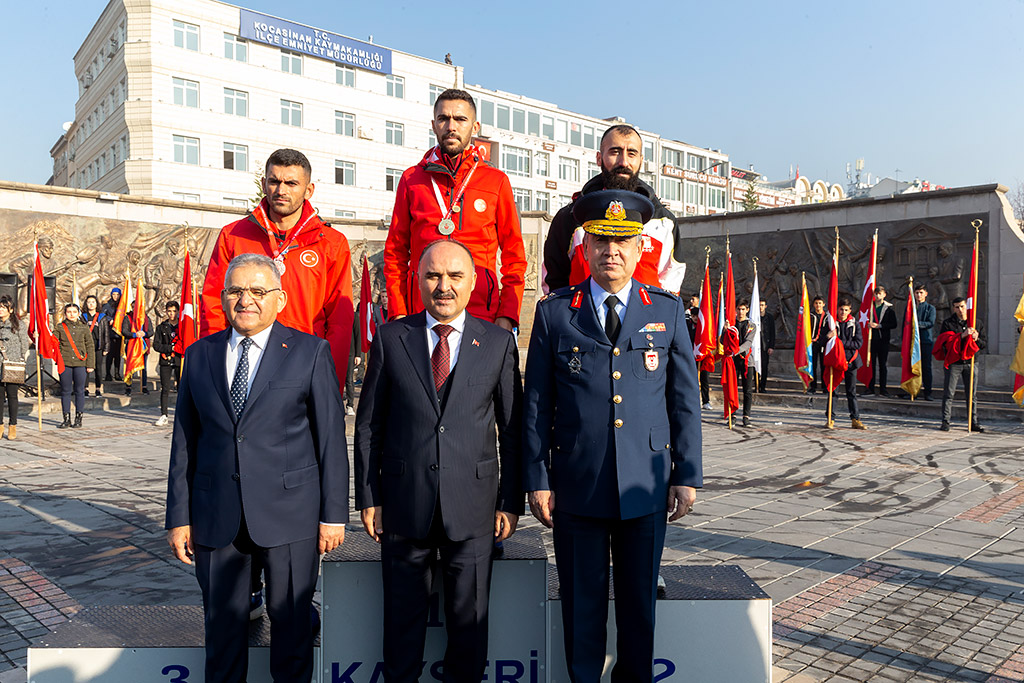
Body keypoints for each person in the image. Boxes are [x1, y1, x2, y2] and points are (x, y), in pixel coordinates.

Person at [523, 190, 702, 682]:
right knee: (581, 610)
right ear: (584, 247)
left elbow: (684, 399)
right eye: (601, 240)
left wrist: (686, 474)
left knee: (639, 611)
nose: (612, 251)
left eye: (624, 241)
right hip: (578, 487)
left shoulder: (664, 311)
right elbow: (537, 402)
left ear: (642, 246)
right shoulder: (556, 312)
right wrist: (538, 477)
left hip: (644, 486)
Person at [166, 253, 348, 683]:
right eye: (236, 291)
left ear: (280, 299)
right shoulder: (199, 355)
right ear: (223, 297)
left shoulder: (309, 351)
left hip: (291, 517)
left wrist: (333, 514)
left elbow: (330, 440)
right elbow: (184, 442)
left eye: (258, 291)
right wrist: (179, 518)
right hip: (216, 519)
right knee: (223, 640)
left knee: (291, 634)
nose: (246, 299)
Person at [355, 239, 522, 683]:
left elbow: (512, 430)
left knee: (469, 634)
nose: (443, 286)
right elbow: (369, 424)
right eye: (432, 276)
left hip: (474, 510)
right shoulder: (393, 339)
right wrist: (369, 496)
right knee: (401, 634)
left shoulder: (499, 343)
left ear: (473, 284)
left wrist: (510, 501)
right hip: (404, 507)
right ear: (418, 281)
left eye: (454, 276)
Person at [200, 148, 355, 388]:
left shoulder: (332, 243)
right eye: (274, 181)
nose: (281, 190)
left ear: (308, 189)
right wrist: (212, 364)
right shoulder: (233, 236)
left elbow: (340, 319)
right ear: (264, 184)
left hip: (304, 362)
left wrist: (330, 377)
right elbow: (213, 304)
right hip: (244, 360)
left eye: (291, 183)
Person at [384, 88, 526, 332]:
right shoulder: (412, 179)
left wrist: (508, 313)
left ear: (475, 126)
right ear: (434, 124)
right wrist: (398, 311)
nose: (451, 126)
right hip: (421, 313)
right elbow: (396, 252)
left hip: (482, 313)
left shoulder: (496, 181)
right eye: (443, 119)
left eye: (460, 119)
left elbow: (514, 255)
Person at [543, 124, 684, 294]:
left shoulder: (664, 221)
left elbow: (671, 285)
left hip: (645, 318)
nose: (623, 162)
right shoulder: (571, 217)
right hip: (582, 318)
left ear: (641, 160)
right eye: (615, 152)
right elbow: (554, 283)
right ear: (599, 158)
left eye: (631, 153)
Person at [937, 297, 984, 432]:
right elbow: (944, 344)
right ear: (953, 308)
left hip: (971, 362)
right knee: (949, 393)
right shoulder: (948, 323)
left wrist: (977, 339)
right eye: (957, 307)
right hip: (954, 363)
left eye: (962, 306)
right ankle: (945, 421)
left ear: (966, 306)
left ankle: (973, 421)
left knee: (972, 394)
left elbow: (983, 344)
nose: (960, 310)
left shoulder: (976, 322)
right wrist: (961, 336)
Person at [826, 298, 866, 430]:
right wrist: (828, 337)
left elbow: (858, 343)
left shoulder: (854, 323)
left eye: (846, 310)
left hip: (850, 361)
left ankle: (855, 418)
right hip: (836, 361)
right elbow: (822, 340)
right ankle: (830, 418)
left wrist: (840, 343)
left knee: (851, 391)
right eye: (841, 309)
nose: (843, 312)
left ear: (850, 311)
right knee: (833, 391)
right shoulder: (831, 323)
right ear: (837, 309)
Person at [55, 303, 92, 429]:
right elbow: (54, 342)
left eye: (74, 312)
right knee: (65, 391)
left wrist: (90, 364)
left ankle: (78, 418)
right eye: (69, 312)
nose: (71, 314)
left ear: (78, 313)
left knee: (80, 391)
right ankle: (66, 419)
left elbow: (90, 346)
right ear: (65, 313)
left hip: (80, 363)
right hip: (65, 363)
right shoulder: (60, 327)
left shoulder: (84, 327)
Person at [0, 295, 27, 439]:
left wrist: (17, 359)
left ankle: (12, 425)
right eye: (0, 307)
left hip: (12, 364)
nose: (1, 310)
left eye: (4, 307)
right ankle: (0, 425)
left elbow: (24, 345)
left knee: (12, 395)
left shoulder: (19, 325)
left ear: (10, 310)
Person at [152, 301, 182, 426]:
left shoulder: (182, 326)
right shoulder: (161, 327)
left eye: (174, 311)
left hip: (179, 360)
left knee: (181, 388)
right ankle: (164, 414)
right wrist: (171, 349)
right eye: (169, 311)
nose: (172, 314)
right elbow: (156, 345)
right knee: (165, 388)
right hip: (166, 360)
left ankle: (181, 415)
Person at [864, 285, 897, 396]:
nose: (878, 296)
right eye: (876, 293)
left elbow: (894, 324)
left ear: (884, 295)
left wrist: (880, 326)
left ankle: (883, 389)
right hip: (871, 340)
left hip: (883, 341)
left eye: (880, 293)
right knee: (871, 364)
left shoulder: (889, 310)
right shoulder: (869, 308)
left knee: (882, 365)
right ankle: (870, 388)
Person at [121, 299, 152, 396]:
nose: (136, 309)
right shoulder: (128, 318)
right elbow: (124, 331)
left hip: (142, 346)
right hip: (131, 345)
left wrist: (145, 333)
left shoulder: (146, 318)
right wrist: (134, 334)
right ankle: (128, 387)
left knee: (144, 368)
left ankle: (144, 387)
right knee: (130, 366)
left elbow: (151, 331)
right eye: (134, 307)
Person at [734, 301, 756, 427]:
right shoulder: (731, 324)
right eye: (738, 309)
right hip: (733, 361)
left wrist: (736, 350)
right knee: (733, 388)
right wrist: (725, 330)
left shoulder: (751, 325)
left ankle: (746, 416)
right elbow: (722, 340)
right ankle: (732, 414)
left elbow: (748, 342)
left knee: (747, 390)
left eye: (743, 309)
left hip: (747, 361)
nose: (740, 312)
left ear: (747, 310)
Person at [81, 295, 107, 397]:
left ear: (97, 304)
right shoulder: (83, 317)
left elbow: (106, 333)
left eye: (93, 302)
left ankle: (97, 389)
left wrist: (106, 348)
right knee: (85, 368)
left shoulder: (102, 317)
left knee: (98, 368)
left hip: (98, 345)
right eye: (89, 302)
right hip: (85, 345)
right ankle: (85, 388)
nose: (91, 304)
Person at [915, 284, 937, 400]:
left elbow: (931, 323)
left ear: (926, 294)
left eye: (921, 293)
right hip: (913, 343)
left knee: (926, 367)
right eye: (917, 293)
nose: (919, 295)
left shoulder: (930, 308)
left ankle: (927, 392)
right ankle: (912, 390)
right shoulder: (911, 308)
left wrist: (917, 325)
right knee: (912, 367)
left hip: (925, 341)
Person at [102, 287, 123, 381]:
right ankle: (108, 374)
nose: (116, 296)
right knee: (109, 355)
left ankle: (117, 373)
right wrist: (110, 319)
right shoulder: (107, 305)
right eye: (114, 294)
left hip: (119, 334)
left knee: (118, 355)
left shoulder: (122, 305)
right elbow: (102, 316)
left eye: (117, 294)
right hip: (110, 334)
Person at [808, 296, 826, 393]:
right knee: (812, 366)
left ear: (823, 304)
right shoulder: (810, 316)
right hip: (813, 344)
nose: (818, 305)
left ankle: (825, 386)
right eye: (816, 303)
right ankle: (813, 386)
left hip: (824, 344)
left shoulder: (827, 317)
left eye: (820, 303)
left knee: (824, 366)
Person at [757, 299, 776, 392]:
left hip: (765, 345)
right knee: (755, 367)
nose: (761, 307)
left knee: (764, 366)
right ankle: (756, 384)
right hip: (756, 345)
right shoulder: (754, 317)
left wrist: (771, 346)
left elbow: (773, 333)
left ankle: (762, 386)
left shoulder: (770, 317)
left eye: (762, 305)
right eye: (759, 305)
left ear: (765, 306)